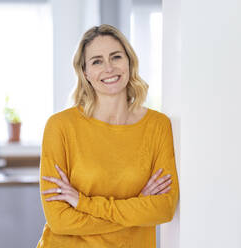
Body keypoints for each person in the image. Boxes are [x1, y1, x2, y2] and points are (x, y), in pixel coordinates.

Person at [37, 24, 179, 248]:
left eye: (116, 57)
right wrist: (137, 207)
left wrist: (83, 203)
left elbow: (164, 208)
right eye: (97, 61)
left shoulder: (158, 126)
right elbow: (60, 220)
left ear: (129, 62)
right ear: (85, 73)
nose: (109, 68)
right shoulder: (60, 126)